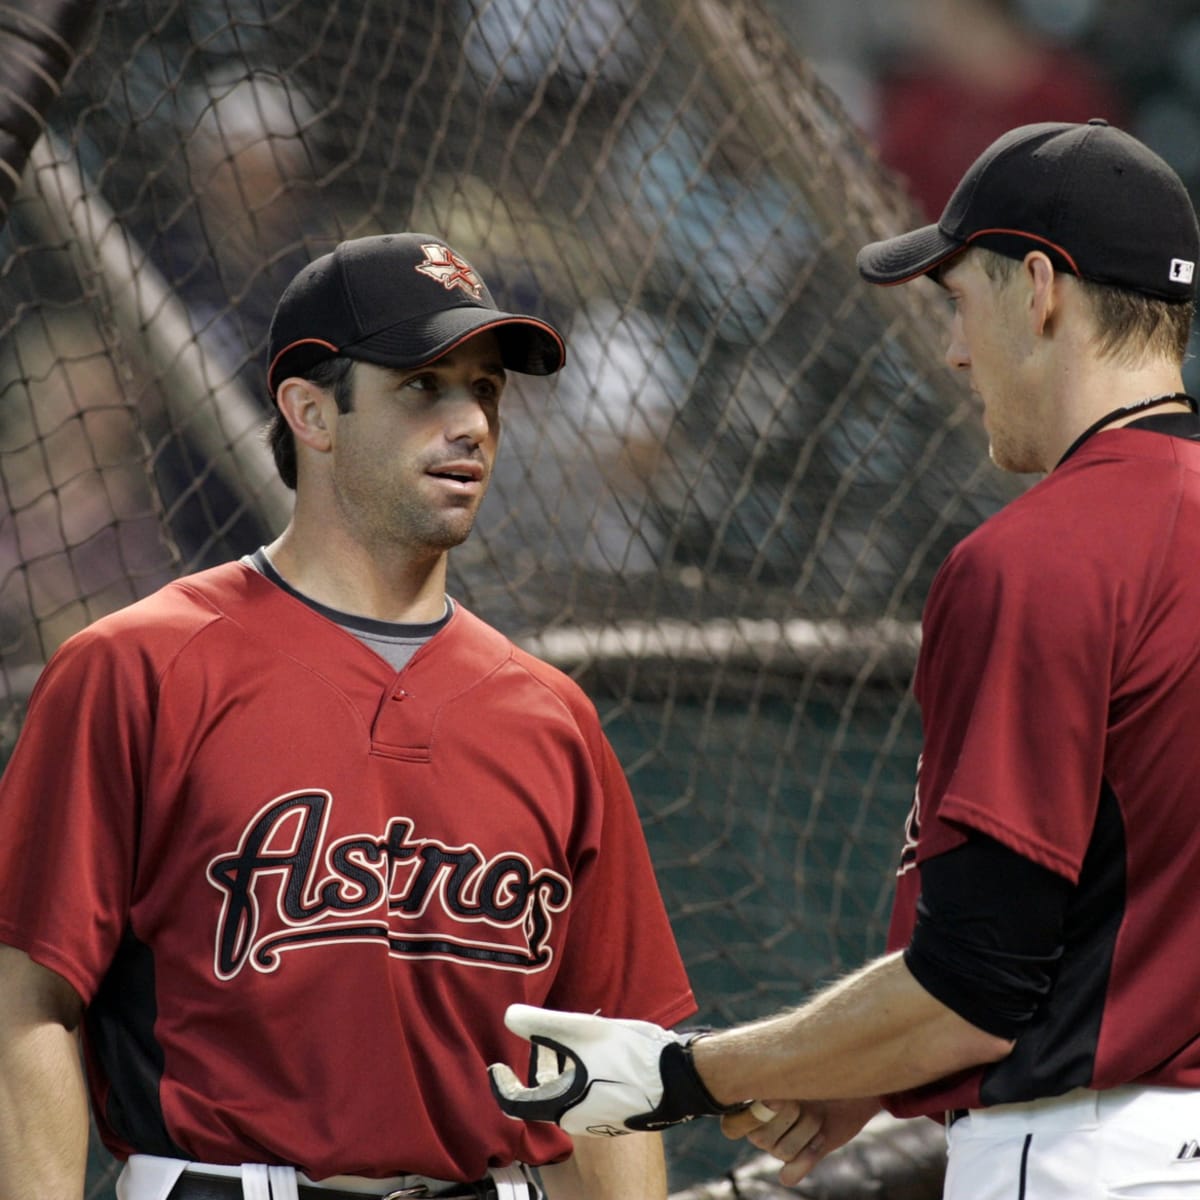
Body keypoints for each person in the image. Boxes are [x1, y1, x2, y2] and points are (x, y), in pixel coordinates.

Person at [488, 120, 1200, 1200]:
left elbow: (974, 988)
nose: (957, 351)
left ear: (1043, 288)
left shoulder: (1038, 559)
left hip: (1087, 1163)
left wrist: (688, 1072)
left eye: (961, 300)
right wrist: (858, 1073)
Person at [0, 232, 697, 1200]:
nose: (472, 424)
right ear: (310, 412)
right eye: (425, 387)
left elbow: (605, 1056)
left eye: (486, 390)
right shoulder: (136, 671)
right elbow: (26, 1007)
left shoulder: (553, 720)